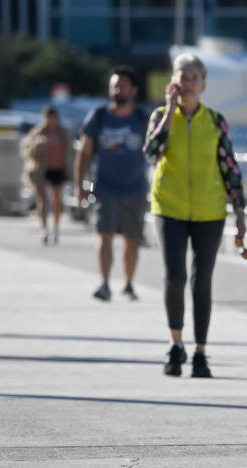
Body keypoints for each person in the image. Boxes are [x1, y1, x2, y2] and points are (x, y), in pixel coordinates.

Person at [143, 53, 247, 378]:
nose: (186, 82)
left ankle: (201, 352)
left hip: (209, 210)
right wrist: (171, 111)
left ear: (203, 85)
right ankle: (176, 345)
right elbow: (151, 153)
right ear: (171, 81)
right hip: (169, 207)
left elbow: (230, 168)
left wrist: (240, 212)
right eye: (181, 76)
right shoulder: (161, 115)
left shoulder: (215, 121)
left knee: (202, 282)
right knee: (175, 277)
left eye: (192, 77)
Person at [74, 66, 150, 302]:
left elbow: (160, 150)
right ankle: (105, 283)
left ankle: (128, 283)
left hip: (135, 187)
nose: (118, 90)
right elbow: (84, 153)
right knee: (104, 234)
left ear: (133, 90)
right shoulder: (98, 116)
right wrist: (80, 186)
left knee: (131, 238)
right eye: (114, 85)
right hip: (104, 186)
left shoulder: (141, 118)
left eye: (123, 86)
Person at [21, 106, 72, 245]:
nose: (50, 121)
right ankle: (44, 228)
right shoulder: (38, 132)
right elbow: (27, 151)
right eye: (48, 118)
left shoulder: (63, 132)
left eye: (53, 118)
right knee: (43, 199)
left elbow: (71, 152)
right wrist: (40, 144)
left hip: (58, 169)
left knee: (57, 199)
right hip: (41, 170)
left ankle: (56, 228)